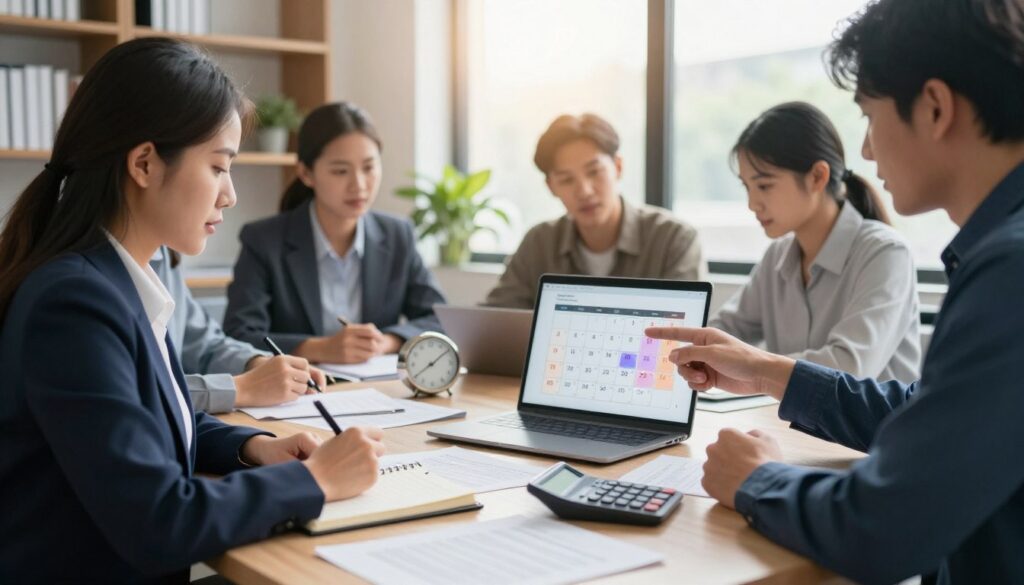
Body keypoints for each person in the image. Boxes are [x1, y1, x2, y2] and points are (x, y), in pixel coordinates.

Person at [647, 0, 1024, 583]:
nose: (867, 151)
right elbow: (927, 412)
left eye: (870, 117)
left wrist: (757, 479)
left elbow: (883, 528)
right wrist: (770, 372)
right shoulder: (999, 254)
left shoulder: (1009, 271)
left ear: (935, 107)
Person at [0, 38, 384, 584]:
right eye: (219, 167)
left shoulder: (117, 280)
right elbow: (160, 521)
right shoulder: (74, 303)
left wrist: (255, 446)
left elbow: (149, 421)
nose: (228, 195)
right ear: (144, 164)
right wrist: (316, 481)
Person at [709, 101, 920, 383]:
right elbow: (725, 330)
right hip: (790, 427)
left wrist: (751, 366)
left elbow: (848, 368)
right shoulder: (777, 257)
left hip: (871, 428)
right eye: (747, 187)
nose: (752, 204)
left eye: (764, 185)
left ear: (818, 177)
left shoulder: (885, 253)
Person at [224, 102, 446, 364]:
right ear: (306, 174)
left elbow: (440, 319)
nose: (359, 185)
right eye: (341, 171)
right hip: (297, 391)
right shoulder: (263, 240)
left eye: (369, 167)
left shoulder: (398, 235)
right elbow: (239, 335)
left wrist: (386, 342)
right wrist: (320, 348)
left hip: (378, 389)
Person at [484, 113, 704, 309]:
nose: (584, 191)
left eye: (594, 172)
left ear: (618, 167)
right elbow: (496, 320)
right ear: (551, 187)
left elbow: (686, 332)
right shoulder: (538, 243)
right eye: (567, 180)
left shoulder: (674, 239)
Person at [152, 247, 329, 412]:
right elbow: (138, 394)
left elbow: (205, 344)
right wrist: (241, 388)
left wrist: (254, 362)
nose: (226, 210)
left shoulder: (165, 255)